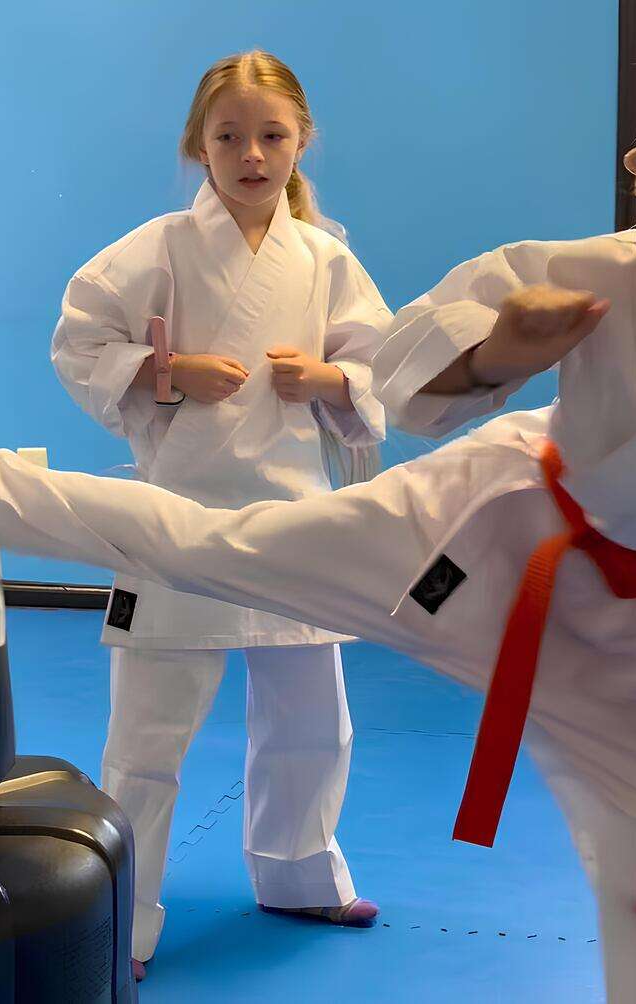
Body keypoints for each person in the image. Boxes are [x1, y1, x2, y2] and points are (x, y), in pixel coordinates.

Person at [0, 29, 636, 1002]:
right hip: (486, 519)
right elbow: (431, 348)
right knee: (198, 556)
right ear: (199, 145)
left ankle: (296, 866)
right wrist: (502, 350)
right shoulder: (612, 271)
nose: (634, 163)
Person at [43, 50, 391, 979]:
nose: (251, 153)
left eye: (271, 135)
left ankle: (299, 871)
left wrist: (328, 378)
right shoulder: (158, 247)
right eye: (229, 135)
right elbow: (79, 338)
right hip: (176, 521)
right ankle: (123, 917)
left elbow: (378, 363)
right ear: (198, 145)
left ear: (301, 141)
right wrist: (165, 374)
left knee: (316, 721)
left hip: (293, 524)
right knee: (149, 737)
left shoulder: (324, 257)